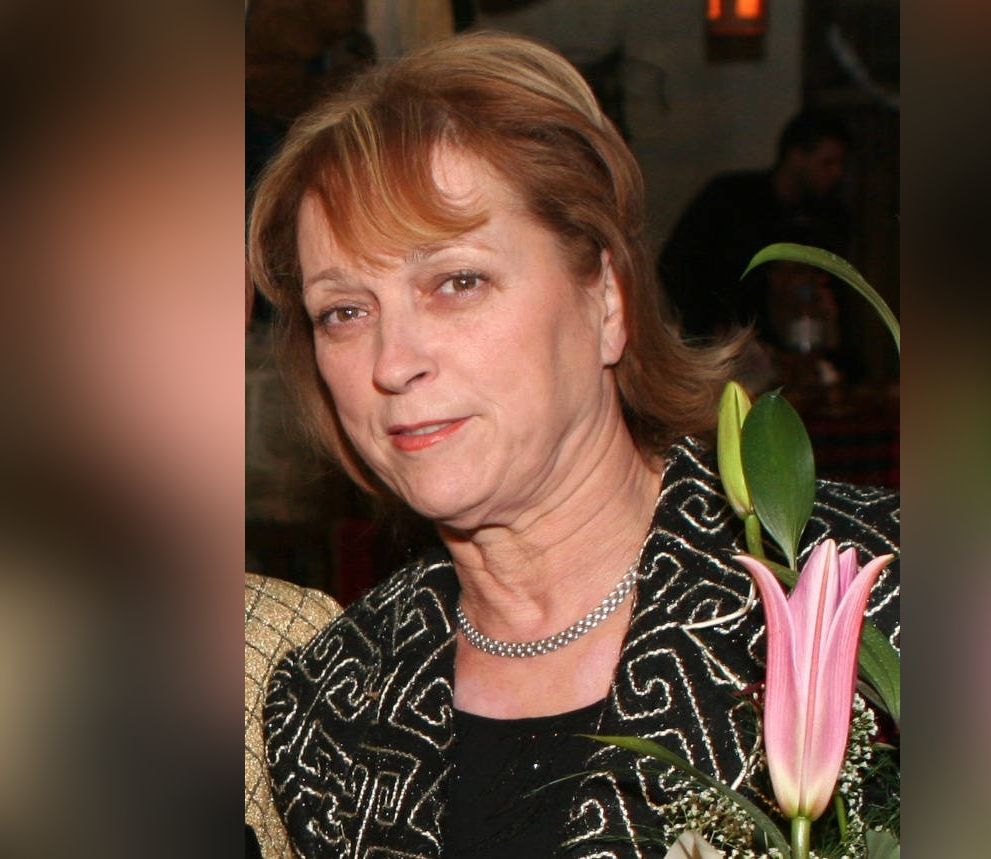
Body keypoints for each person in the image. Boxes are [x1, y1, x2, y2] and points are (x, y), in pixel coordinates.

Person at [248, 32, 898, 859]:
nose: (391, 362)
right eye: (344, 311)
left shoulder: (870, 595)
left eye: (456, 281)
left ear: (608, 301)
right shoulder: (332, 706)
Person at [657, 110, 852, 358]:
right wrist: (704, 331)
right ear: (796, 155)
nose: (837, 173)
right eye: (827, 163)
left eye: (840, 164)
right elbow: (678, 265)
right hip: (723, 350)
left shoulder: (829, 218)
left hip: (798, 350)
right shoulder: (729, 199)